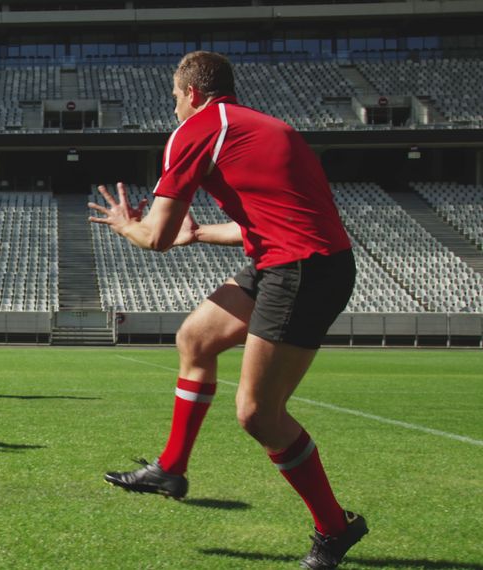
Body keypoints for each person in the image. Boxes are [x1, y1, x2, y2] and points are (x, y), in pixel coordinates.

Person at [88, 51, 365, 570]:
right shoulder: (264, 127)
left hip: (301, 269)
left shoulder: (196, 129)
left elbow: (156, 237)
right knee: (196, 339)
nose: (173, 107)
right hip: (293, 259)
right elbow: (266, 223)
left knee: (258, 414)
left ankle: (335, 528)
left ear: (191, 93)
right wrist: (200, 233)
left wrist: (127, 224)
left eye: (173, 97)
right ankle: (171, 468)